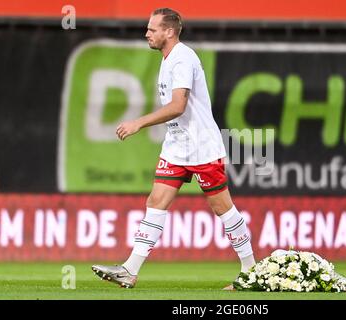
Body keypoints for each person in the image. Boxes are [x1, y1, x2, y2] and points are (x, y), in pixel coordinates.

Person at [92, 8, 255, 290]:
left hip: (201, 145)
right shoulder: (168, 59)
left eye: (152, 29)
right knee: (156, 202)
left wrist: (138, 123)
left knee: (222, 208)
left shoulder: (182, 58)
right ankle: (129, 270)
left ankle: (251, 271)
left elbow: (178, 106)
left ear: (169, 31)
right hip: (177, 146)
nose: (147, 33)